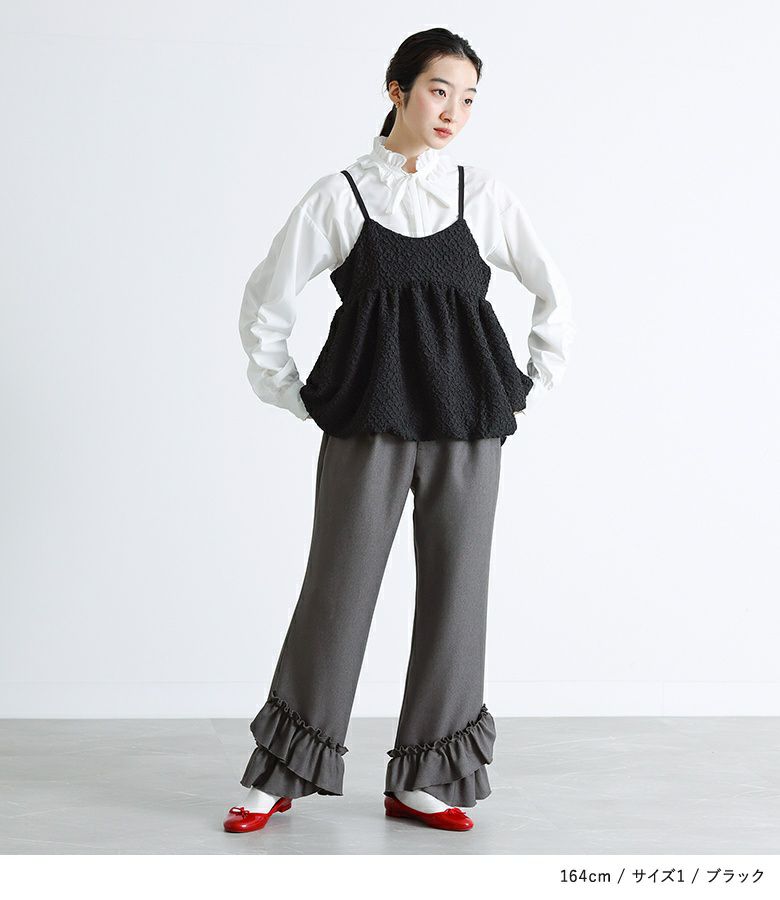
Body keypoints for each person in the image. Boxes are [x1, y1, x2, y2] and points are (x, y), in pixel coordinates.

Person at [225, 27, 575, 835]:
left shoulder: (482, 195)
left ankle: (426, 777)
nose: (453, 111)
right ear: (398, 90)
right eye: (439, 90)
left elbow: (555, 291)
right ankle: (282, 771)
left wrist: (529, 382)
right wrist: (295, 394)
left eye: (468, 98)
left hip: (466, 425)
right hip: (369, 421)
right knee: (336, 592)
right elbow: (266, 300)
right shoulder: (342, 195)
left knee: (458, 595)